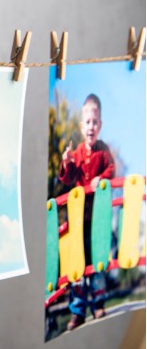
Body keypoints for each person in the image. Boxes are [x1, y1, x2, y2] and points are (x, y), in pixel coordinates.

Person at [58, 93, 114, 330]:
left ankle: (98, 303)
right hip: (79, 219)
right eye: (87, 122)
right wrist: (67, 162)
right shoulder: (79, 152)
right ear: (82, 127)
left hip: (96, 218)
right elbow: (69, 179)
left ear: (99, 125)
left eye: (95, 122)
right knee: (77, 264)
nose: (91, 126)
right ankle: (77, 311)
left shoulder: (102, 151)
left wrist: (101, 178)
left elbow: (111, 170)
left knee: (96, 259)